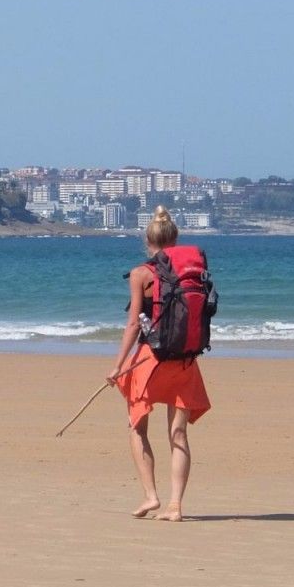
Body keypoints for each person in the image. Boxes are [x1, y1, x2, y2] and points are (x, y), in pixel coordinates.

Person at [107, 206, 212, 521]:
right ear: (176, 239)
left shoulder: (141, 273)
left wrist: (117, 365)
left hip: (150, 362)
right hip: (185, 361)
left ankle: (151, 496)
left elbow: (133, 325)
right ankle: (176, 505)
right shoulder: (192, 270)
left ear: (147, 242)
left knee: (137, 428)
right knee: (178, 433)